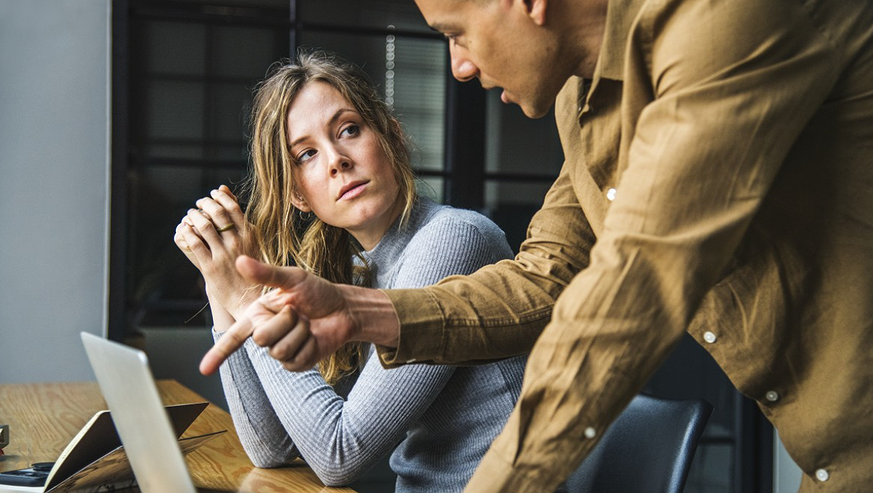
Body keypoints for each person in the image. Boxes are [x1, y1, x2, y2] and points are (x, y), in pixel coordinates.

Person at [201, 0, 873, 491]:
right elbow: (545, 276)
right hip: (829, 461)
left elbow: (631, 288)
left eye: (456, 33)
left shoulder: (723, 20)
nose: (458, 66)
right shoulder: (581, 101)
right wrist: (360, 311)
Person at [176, 51, 527, 492]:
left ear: (392, 136)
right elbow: (272, 448)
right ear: (298, 196)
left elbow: (337, 455)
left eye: (348, 130)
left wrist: (247, 298)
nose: (336, 159)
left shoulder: (454, 239)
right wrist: (219, 278)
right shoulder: (360, 269)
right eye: (305, 154)